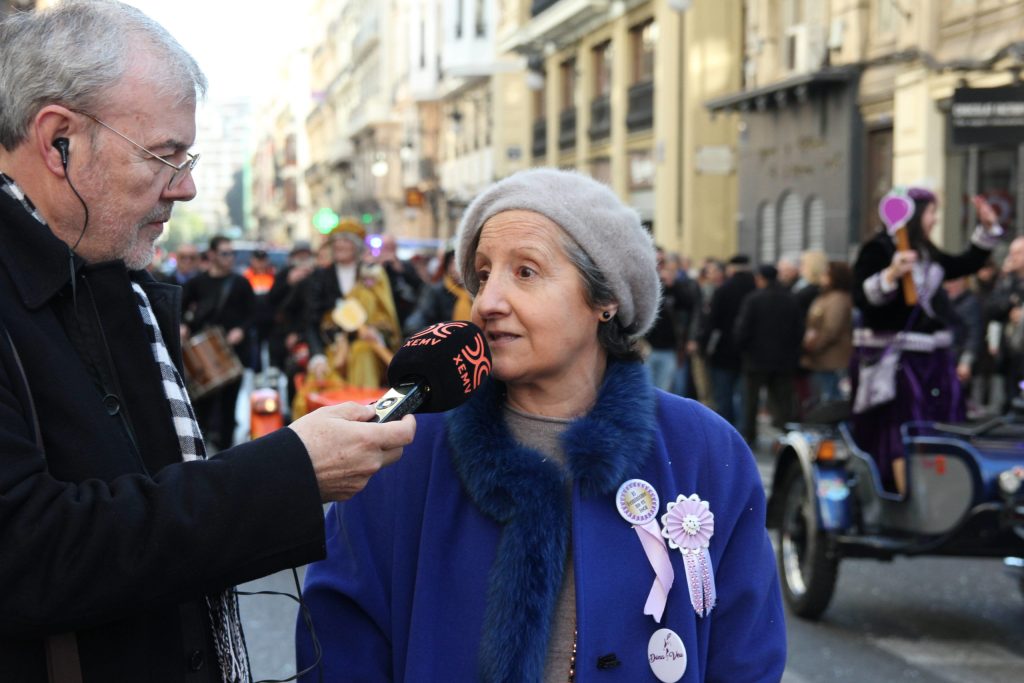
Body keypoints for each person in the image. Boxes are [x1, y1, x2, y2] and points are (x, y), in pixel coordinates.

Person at [0, 3, 415, 681]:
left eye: (187, 158)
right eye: (164, 156)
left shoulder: (114, 286)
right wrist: (291, 472)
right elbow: (29, 550)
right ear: (58, 141)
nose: (187, 186)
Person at [296, 168, 786, 682]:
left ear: (605, 299)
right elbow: (340, 646)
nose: (487, 302)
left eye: (525, 272)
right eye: (483, 274)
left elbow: (747, 657)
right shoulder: (403, 447)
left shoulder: (704, 449)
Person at [851, 187, 1000, 494]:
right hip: (893, 363)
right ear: (914, 214)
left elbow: (964, 264)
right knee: (902, 426)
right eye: (932, 212)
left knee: (940, 423)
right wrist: (890, 275)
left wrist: (986, 229)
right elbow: (862, 299)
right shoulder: (878, 249)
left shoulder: (927, 253)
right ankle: (904, 495)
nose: (935, 219)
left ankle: (940, 492)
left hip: (932, 361)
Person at [181, 235, 255, 451]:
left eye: (232, 253)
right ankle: (200, 452)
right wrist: (183, 326)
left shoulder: (241, 283)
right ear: (212, 255)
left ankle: (226, 451)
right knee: (201, 407)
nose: (230, 258)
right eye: (225, 253)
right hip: (203, 354)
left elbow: (253, 314)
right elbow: (179, 309)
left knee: (228, 407)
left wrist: (241, 330)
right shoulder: (197, 283)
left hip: (232, 352)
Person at [733, 264, 804, 446]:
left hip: (755, 360)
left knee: (751, 401)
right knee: (782, 402)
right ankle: (783, 438)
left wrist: (744, 350)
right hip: (783, 360)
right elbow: (798, 330)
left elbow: (742, 330)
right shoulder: (790, 299)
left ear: (761, 279)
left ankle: (750, 437)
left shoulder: (753, 299)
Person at [699, 254, 756, 426]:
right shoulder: (756, 288)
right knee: (745, 397)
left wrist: (703, 347)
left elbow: (712, 322)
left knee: (723, 396)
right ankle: (744, 430)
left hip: (723, 352)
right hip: (750, 352)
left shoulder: (723, 290)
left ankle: (726, 430)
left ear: (731, 269)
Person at [800, 261, 854, 404]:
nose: (822, 277)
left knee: (832, 400)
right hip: (821, 360)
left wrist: (814, 346)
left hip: (832, 360)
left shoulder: (838, 299)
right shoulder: (824, 296)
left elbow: (832, 330)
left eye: (826, 274)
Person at [401, 242, 472, 335]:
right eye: (454, 262)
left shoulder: (476, 292)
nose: (458, 267)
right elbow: (415, 323)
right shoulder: (436, 291)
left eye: (463, 262)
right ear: (447, 265)